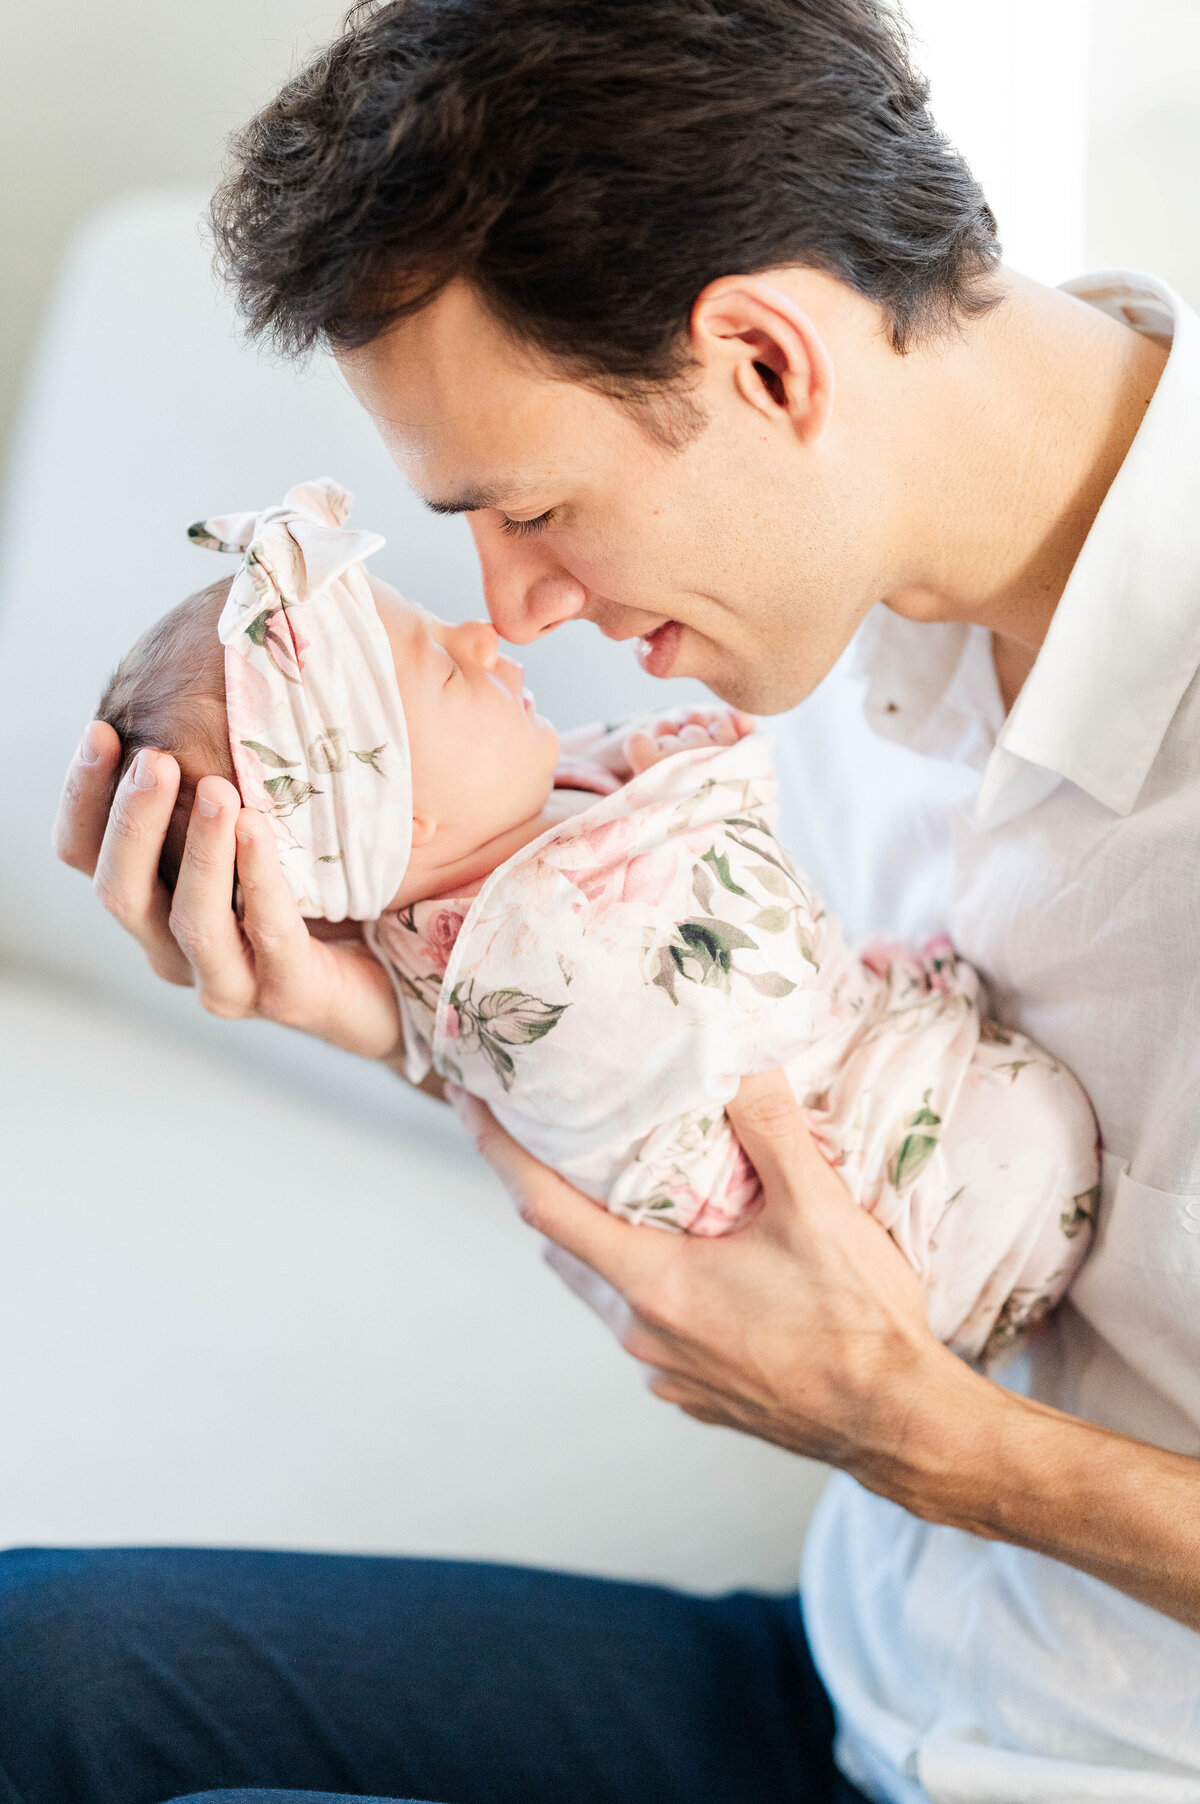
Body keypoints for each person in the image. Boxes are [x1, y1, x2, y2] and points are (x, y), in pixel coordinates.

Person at [22, 1, 1200, 1801]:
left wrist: (930, 1440)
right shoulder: (812, 617)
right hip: (851, 1673)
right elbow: (709, 1084)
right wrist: (406, 1014)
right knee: (41, 1667)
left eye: (535, 507)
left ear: (770, 364)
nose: (510, 610)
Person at [98, 476, 1096, 1352]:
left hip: (896, 1141)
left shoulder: (499, 849)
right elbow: (732, 959)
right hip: (916, 1206)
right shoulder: (531, 940)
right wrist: (701, 782)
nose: (483, 631)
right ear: (401, 819)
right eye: (444, 664)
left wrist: (657, 771)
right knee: (1011, 1126)